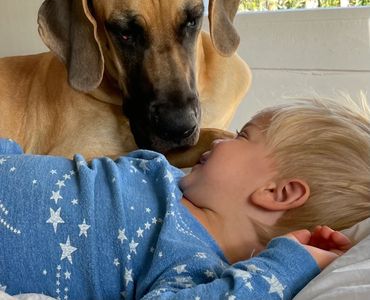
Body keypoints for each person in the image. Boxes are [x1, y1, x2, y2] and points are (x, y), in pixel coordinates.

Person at [0, 96, 368, 300]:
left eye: (242, 136)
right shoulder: (175, 181)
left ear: (277, 192)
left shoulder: (195, 263)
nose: (221, 140)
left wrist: (286, 267)